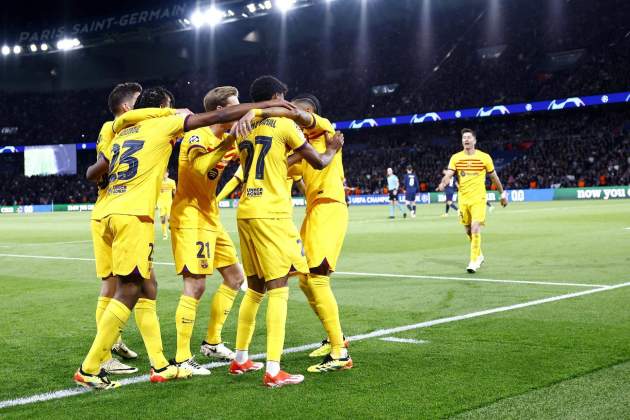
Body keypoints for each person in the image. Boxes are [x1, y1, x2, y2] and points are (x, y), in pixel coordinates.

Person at [75, 86, 294, 390]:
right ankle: (95, 366)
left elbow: (94, 171)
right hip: (144, 215)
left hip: (117, 209)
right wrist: (265, 105)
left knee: (149, 286)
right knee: (131, 288)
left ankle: (163, 363)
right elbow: (206, 128)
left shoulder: (120, 129)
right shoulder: (172, 127)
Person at [228, 75, 343, 387]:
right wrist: (333, 148)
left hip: (245, 210)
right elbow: (319, 161)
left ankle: (240, 359)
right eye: (284, 99)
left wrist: (257, 113)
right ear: (277, 96)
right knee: (279, 288)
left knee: (255, 288)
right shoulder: (285, 125)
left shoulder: (244, 128)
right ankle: (273, 369)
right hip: (272, 214)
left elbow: (276, 162)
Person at [169, 86, 268, 375]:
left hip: (210, 216)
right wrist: (229, 142)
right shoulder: (197, 135)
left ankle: (212, 342)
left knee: (235, 277)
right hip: (189, 216)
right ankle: (182, 358)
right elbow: (201, 168)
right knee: (195, 285)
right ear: (220, 111)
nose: (239, 110)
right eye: (235, 106)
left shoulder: (227, 136)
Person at [88, 82, 145, 376]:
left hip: (107, 209)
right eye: (137, 103)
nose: (142, 109)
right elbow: (102, 167)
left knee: (119, 285)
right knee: (117, 286)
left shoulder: (112, 129)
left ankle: (114, 340)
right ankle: (104, 355)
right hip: (114, 209)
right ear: (126, 108)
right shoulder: (116, 128)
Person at [438, 128, 508, 273]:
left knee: (475, 226)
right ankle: (479, 254)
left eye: (469, 137)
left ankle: (474, 261)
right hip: (463, 199)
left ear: (474, 140)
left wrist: (502, 194)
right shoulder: (456, 158)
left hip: (479, 198)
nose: (466, 140)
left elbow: (494, 177)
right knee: (468, 230)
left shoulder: (484, 157)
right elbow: (449, 174)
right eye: (464, 138)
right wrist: (443, 183)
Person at [157, 170, 176, 240]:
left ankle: (170, 225)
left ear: (168, 174)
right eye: (163, 172)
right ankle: (165, 234)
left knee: (169, 218)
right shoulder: (159, 182)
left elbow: (174, 192)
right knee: (162, 219)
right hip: (161, 202)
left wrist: (176, 201)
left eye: (165, 173)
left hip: (169, 202)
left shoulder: (172, 181)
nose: (164, 174)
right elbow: (156, 191)